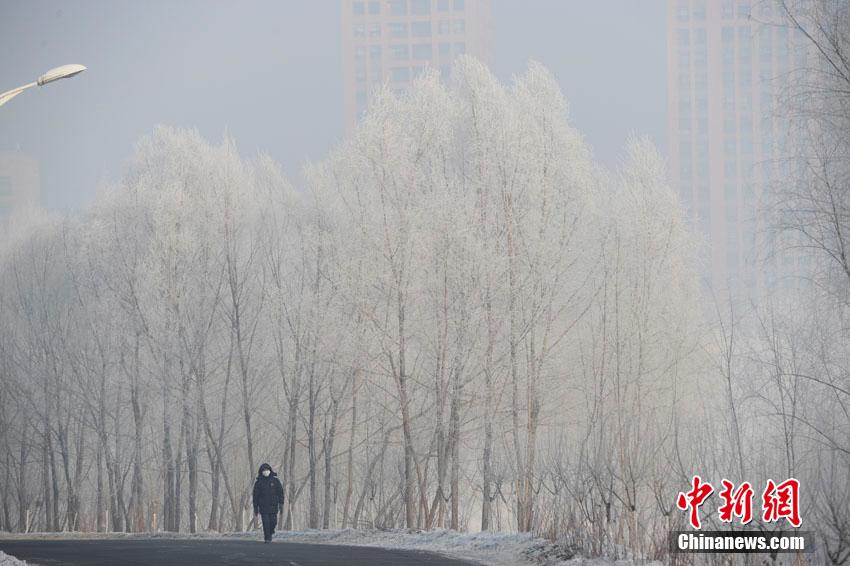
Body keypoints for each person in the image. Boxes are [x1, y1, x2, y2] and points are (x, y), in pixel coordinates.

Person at [252, 462, 284, 543]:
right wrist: (255, 507)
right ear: (261, 471)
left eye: (267, 469)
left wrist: (281, 504)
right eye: (264, 470)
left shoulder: (275, 481)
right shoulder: (258, 482)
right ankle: (267, 538)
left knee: (273, 522)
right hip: (263, 507)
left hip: (273, 506)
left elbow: (280, 493)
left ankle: (271, 531)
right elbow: (255, 496)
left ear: (270, 470)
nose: (265, 471)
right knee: (266, 523)